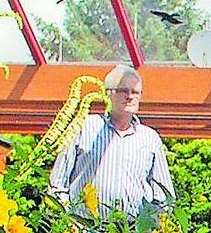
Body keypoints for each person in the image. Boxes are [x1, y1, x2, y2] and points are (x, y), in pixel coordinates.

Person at [49, 64, 174, 220]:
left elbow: (164, 197)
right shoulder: (84, 127)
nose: (130, 96)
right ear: (108, 93)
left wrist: (151, 229)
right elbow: (57, 183)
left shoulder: (150, 139)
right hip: (84, 231)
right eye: (123, 90)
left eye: (135, 92)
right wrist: (68, 221)